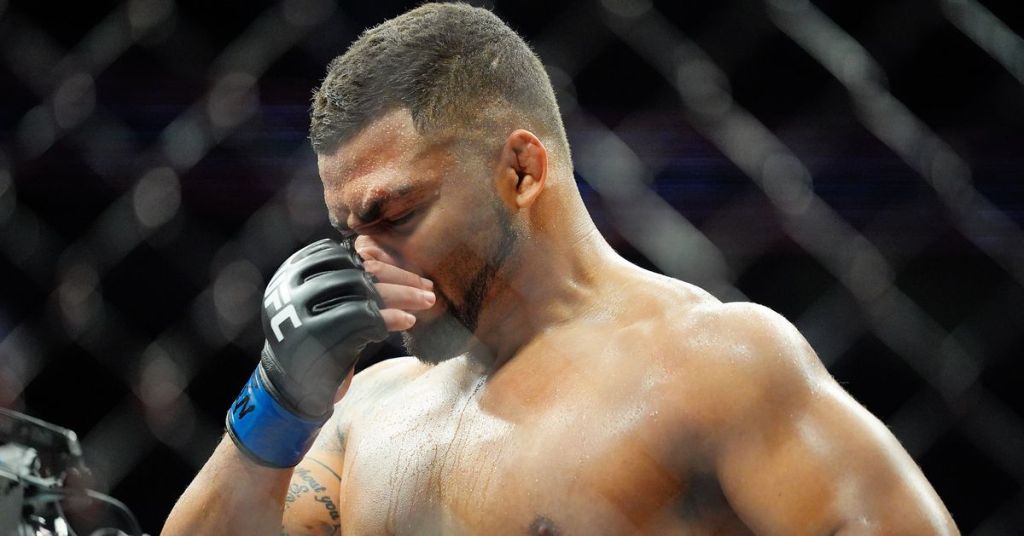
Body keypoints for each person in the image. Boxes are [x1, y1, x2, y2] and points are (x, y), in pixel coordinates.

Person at [163, 3, 959, 534]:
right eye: (349, 233)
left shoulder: (712, 366)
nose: (367, 260)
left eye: (395, 216)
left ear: (520, 171)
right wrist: (279, 399)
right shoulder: (367, 410)